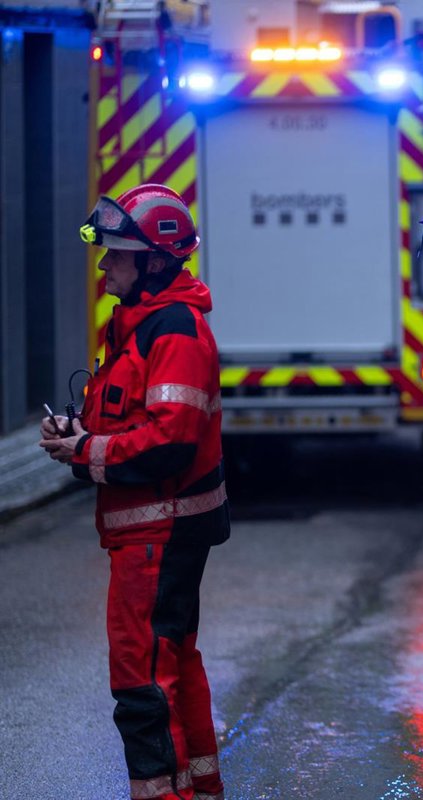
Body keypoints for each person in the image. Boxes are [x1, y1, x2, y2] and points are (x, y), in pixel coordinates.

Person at [39, 183, 229, 800]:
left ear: (153, 261)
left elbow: (171, 443)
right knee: (171, 664)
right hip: (154, 530)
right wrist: (80, 433)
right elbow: (137, 420)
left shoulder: (172, 331)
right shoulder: (141, 325)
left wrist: (86, 451)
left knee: (143, 679)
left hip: (159, 532)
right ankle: (197, 788)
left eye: (116, 254)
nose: (104, 266)